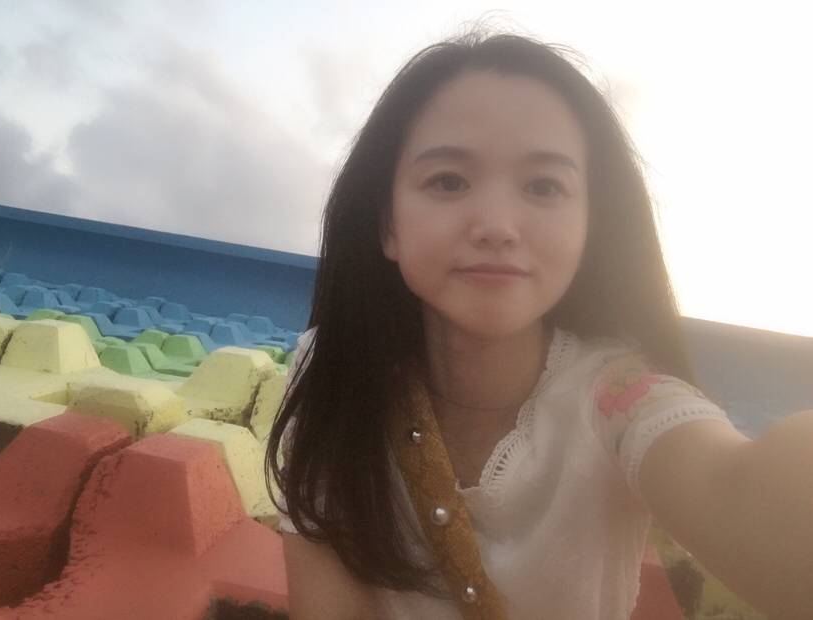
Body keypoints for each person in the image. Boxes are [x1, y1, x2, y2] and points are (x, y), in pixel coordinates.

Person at [263, 30, 766, 619]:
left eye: (544, 186)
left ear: (590, 228)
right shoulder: (331, 372)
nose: (498, 226)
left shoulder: (624, 400)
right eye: (448, 181)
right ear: (388, 226)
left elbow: (737, 489)